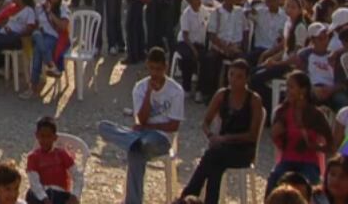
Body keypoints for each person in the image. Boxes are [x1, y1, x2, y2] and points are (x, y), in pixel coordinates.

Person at [98, 47, 184, 204]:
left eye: (159, 69)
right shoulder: (140, 88)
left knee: (138, 145)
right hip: (140, 135)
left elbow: (174, 126)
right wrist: (149, 94)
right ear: (147, 66)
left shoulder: (176, 91)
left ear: (165, 67)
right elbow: (141, 120)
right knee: (104, 128)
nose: (155, 73)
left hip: (161, 139)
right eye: (152, 68)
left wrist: (148, 128)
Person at [174, 59, 264, 204]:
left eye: (239, 76)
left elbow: (252, 135)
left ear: (247, 79)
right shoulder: (222, 94)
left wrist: (226, 139)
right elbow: (205, 122)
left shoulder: (253, 100)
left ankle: (187, 196)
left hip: (243, 149)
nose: (234, 80)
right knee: (215, 164)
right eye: (231, 75)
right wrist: (211, 135)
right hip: (222, 149)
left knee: (211, 156)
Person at [268, 70, 333, 195]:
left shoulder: (315, 114)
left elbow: (331, 146)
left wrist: (314, 146)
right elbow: (275, 137)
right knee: (274, 178)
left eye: (291, 87)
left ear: (303, 90)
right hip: (288, 159)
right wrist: (276, 132)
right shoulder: (283, 112)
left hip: (309, 161)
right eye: (287, 86)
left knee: (308, 183)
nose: (287, 90)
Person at [24, 115, 83, 204]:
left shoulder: (62, 154)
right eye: (42, 136)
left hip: (59, 194)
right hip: (40, 195)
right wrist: (44, 199)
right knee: (31, 193)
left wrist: (75, 196)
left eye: (49, 136)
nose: (45, 140)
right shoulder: (33, 157)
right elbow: (34, 182)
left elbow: (77, 175)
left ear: (55, 137)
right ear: (37, 136)